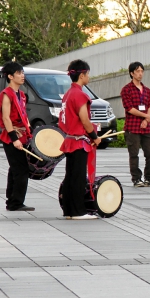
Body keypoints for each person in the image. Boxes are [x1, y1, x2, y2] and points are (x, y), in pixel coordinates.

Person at [59, 60, 102, 220]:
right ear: (82, 75)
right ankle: (78, 211)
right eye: (88, 74)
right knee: (78, 177)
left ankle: (69, 210)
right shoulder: (80, 94)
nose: (89, 77)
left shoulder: (68, 94)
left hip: (70, 139)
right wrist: (95, 137)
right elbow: (85, 120)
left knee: (70, 176)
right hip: (78, 142)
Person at [0, 62, 33, 212]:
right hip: (12, 136)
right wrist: (14, 139)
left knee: (15, 169)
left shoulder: (21, 94)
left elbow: (24, 115)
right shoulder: (6, 94)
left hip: (22, 135)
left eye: (22, 72)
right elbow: (6, 118)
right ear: (10, 76)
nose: (22, 75)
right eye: (19, 73)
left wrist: (31, 132)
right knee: (21, 170)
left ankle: (12, 200)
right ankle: (16, 202)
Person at [120, 61, 150, 187]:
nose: (140, 74)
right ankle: (136, 178)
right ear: (132, 73)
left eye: (142, 71)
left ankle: (149, 178)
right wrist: (145, 116)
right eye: (137, 71)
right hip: (133, 127)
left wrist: (147, 119)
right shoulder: (126, 90)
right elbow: (129, 108)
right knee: (134, 154)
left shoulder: (147, 90)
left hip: (147, 127)